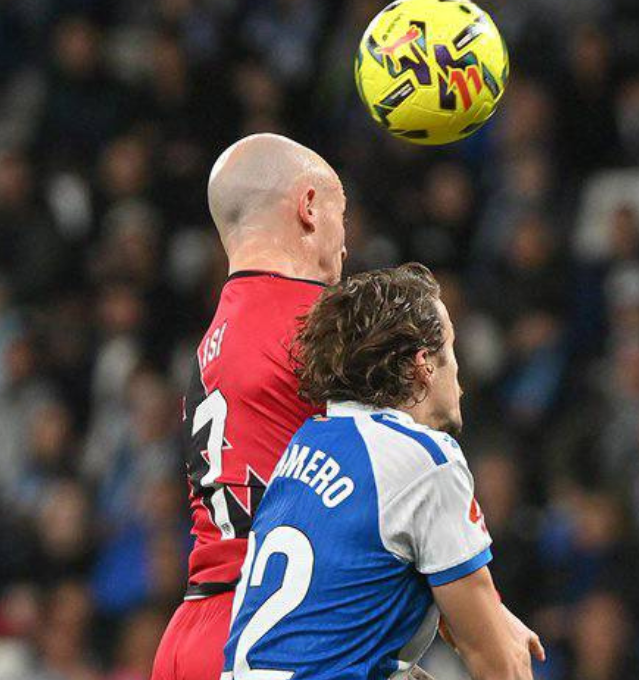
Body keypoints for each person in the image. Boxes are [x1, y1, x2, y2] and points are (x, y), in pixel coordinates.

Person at [223, 264, 544, 680]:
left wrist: (490, 613)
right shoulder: (425, 458)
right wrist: (497, 635)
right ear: (423, 364)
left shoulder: (306, 442)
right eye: (451, 350)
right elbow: (497, 661)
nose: (459, 375)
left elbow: (351, 595)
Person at [151, 133, 348, 680]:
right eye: (341, 213)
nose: (345, 238)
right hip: (273, 628)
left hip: (190, 629)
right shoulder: (321, 324)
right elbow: (400, 485)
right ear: (309, 207)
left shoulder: (210, 342)